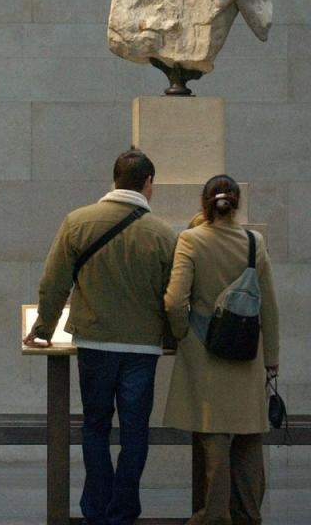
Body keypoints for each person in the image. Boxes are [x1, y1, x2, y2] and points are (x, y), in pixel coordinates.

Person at [24, 149, 178, 525]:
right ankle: (123, 510)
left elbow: (53, 282)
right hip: (142, 347)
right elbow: (175, 295)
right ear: (148, 184)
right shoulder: (163, 234)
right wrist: (175, 336)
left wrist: (43, 328)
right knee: (135, 430)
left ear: (114, 179)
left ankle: (96, 508)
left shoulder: (78, 222)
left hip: (94, 342)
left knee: (95, 425)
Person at [162, 174, 280, 525]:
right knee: (248, 443)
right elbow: (269, 306)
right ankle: (249, 516)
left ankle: (213, 517)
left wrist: (184, 335)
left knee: (214, 445)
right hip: (246, 354)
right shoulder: (254, 242)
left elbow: (174, 302)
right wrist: (271, 358)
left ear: (204, 203)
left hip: (205, 354)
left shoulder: (191, 241)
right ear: (237, 203)